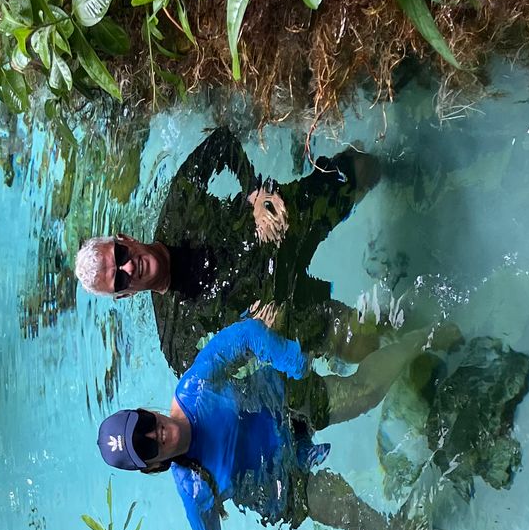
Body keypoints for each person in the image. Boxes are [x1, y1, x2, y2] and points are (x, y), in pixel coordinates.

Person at [96, 316, 453, 530]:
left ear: (144, 412)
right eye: (144, 449)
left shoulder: (196, 387)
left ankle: (425, 336)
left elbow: (244, 335)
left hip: (287, 407)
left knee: (365, 393)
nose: (152, 435)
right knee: (353, 516)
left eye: (143, 426)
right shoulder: (194, 489)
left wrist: (289, 359)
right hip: (285, 482)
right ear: (147, 467)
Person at [74, 127, 388, 373]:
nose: (129, 268)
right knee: (359, 341)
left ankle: (398, 169)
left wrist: (253, 193)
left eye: (120, 256)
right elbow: (220, 376)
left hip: (279, 224)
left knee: (360, 169)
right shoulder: (176, 338)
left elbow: (221, 143)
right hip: (279, 301)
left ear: (125, 238)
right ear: (125, 295)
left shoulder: (178, 210)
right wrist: (259, 334)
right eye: (120, 280)